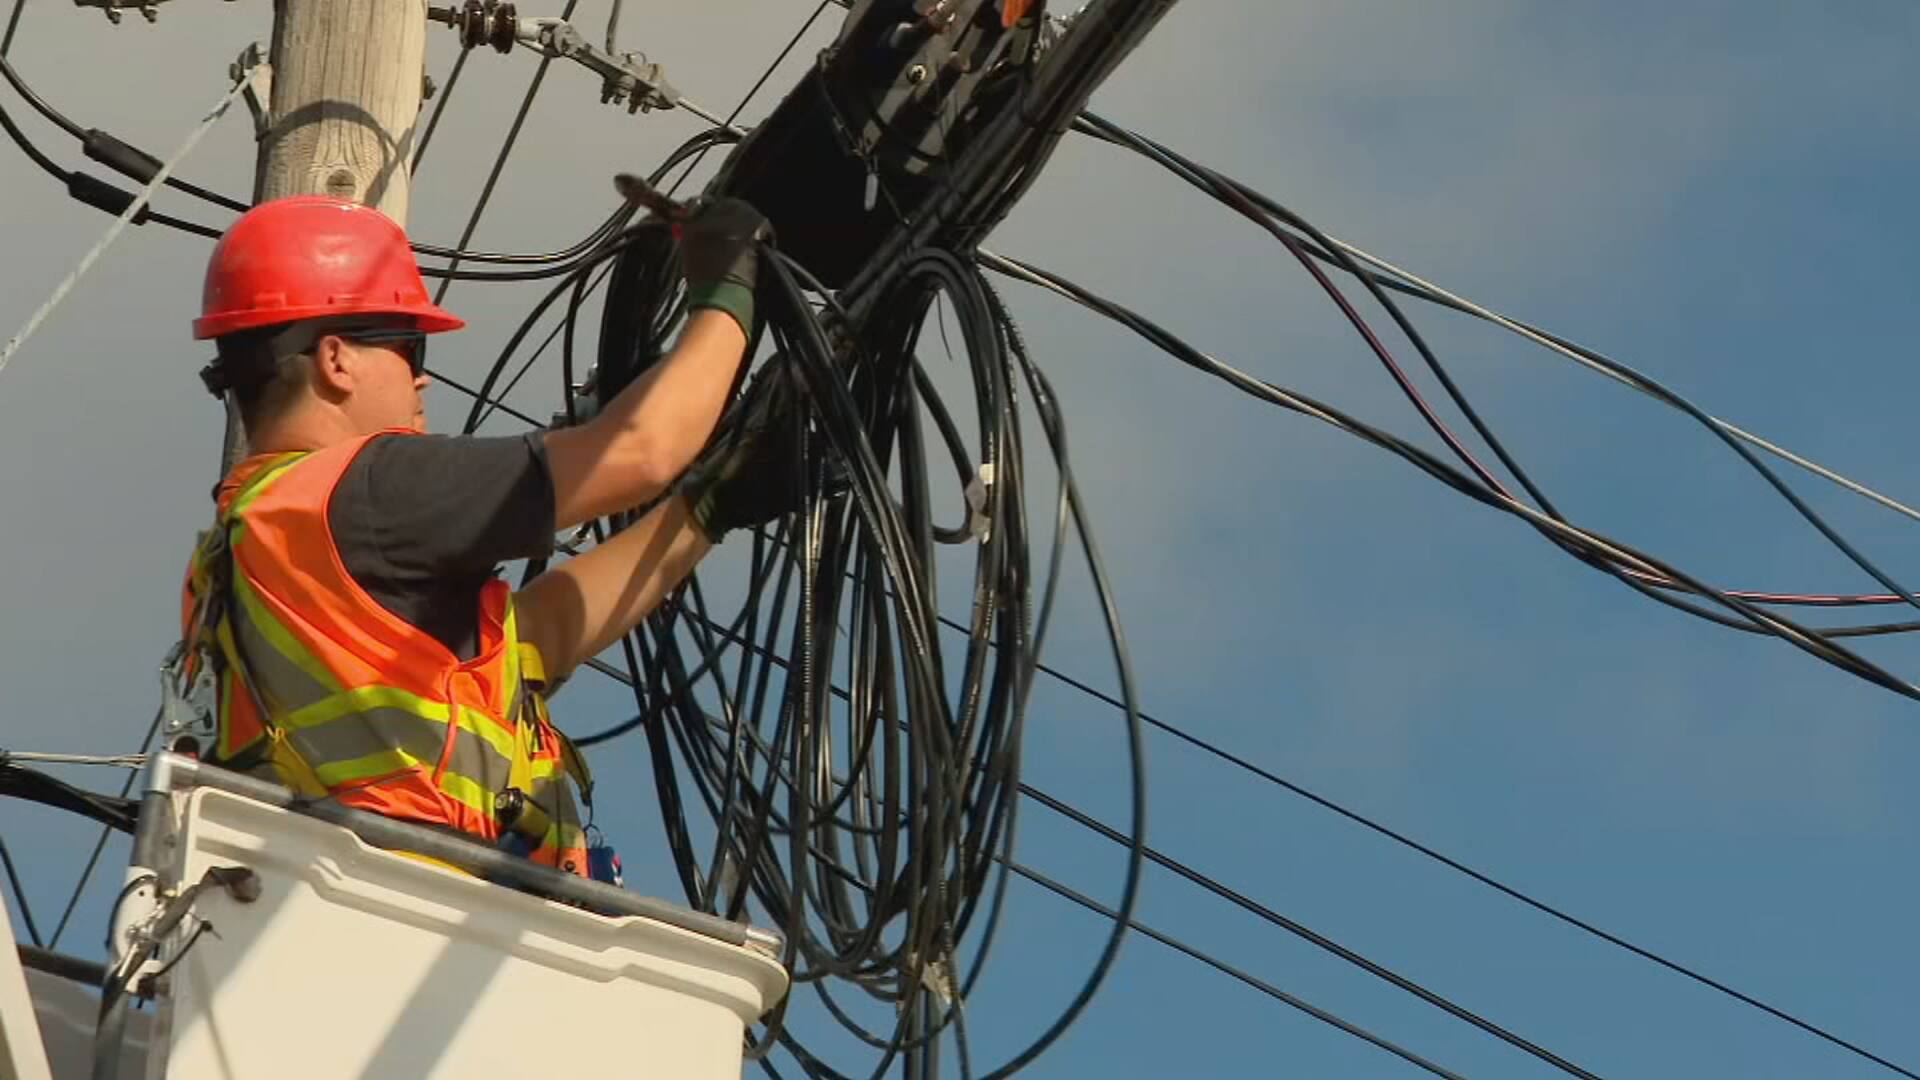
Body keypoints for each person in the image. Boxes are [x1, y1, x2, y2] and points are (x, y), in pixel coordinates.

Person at [175, 192, 805, 877]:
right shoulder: (372, 489)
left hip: (348, 909)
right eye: (407, 345)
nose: (420, 378)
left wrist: (706, 511)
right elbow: (642, 451)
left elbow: (535, 641)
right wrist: (729, 292)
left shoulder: (253, 538)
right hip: (424, 907)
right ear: (337, 359)